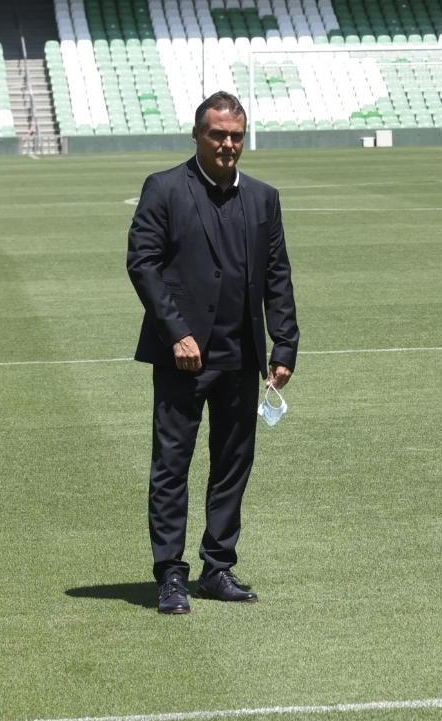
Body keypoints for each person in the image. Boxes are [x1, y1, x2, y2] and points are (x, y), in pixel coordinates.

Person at [126, 92, 299, 613]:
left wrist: (284, 343)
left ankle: (217, 567)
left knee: (232, 463)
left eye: (236, 136)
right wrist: (176, 332)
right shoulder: (164, 189)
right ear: (197, 135)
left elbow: (277, 274)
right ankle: (170, 574)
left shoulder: (264, 198)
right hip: (182, 355)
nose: (228, 144)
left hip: (240, 355)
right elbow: (143, 263)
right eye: (218, 134)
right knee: (171, 465)